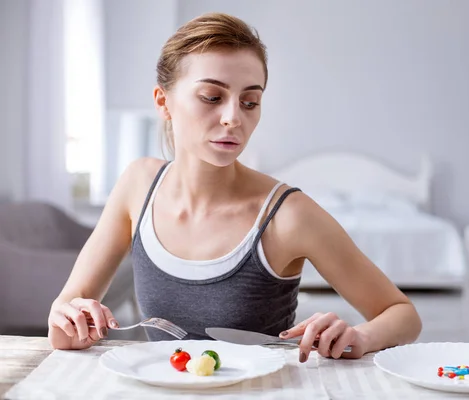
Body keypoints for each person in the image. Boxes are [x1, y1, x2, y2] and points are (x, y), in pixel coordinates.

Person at [48, 12, 422, 362]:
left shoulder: (289, 215)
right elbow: (62, 326)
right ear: (163, 102)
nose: (233, 118)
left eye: (250, 101)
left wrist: (361, 336)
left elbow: (403, 315)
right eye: (212, 97)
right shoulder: (137, 185)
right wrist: (72, 320)